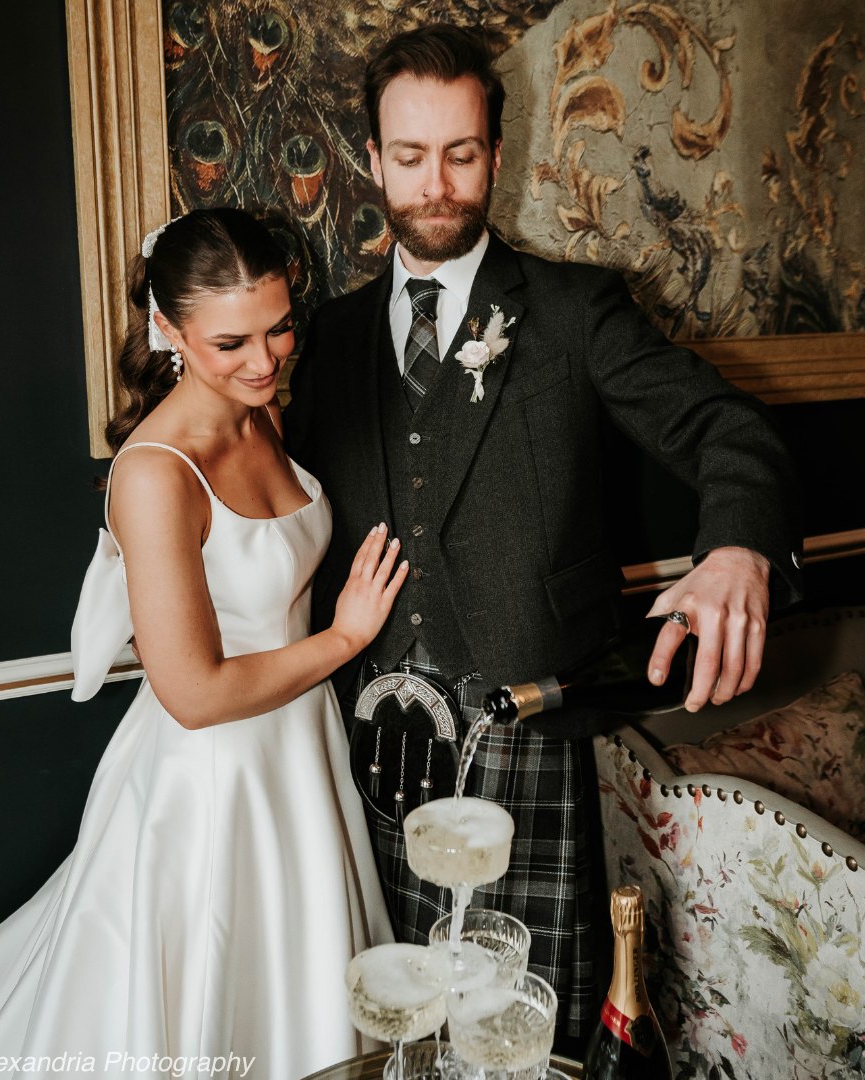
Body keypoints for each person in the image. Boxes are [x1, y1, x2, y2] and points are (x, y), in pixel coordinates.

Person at [284, 25, 802, 1054]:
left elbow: (729, 431)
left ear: (498, 155)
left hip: (530, 737)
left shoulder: (574, 313)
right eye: (412, 156)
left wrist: (737, 547)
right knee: (405, 1035)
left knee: (530, 1035)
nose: (438, 184)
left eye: (462, 153)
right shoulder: (324, 340)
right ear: (373, 161)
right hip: (369, 751)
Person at [0, 208, 405, 1079]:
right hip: (216, 787)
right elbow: (192, 695)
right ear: (169, 330)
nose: (265, 360)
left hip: (301, 757)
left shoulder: (255, 410)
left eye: (278, 328)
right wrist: (345, 636)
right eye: (231, 342)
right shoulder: (156, 474)